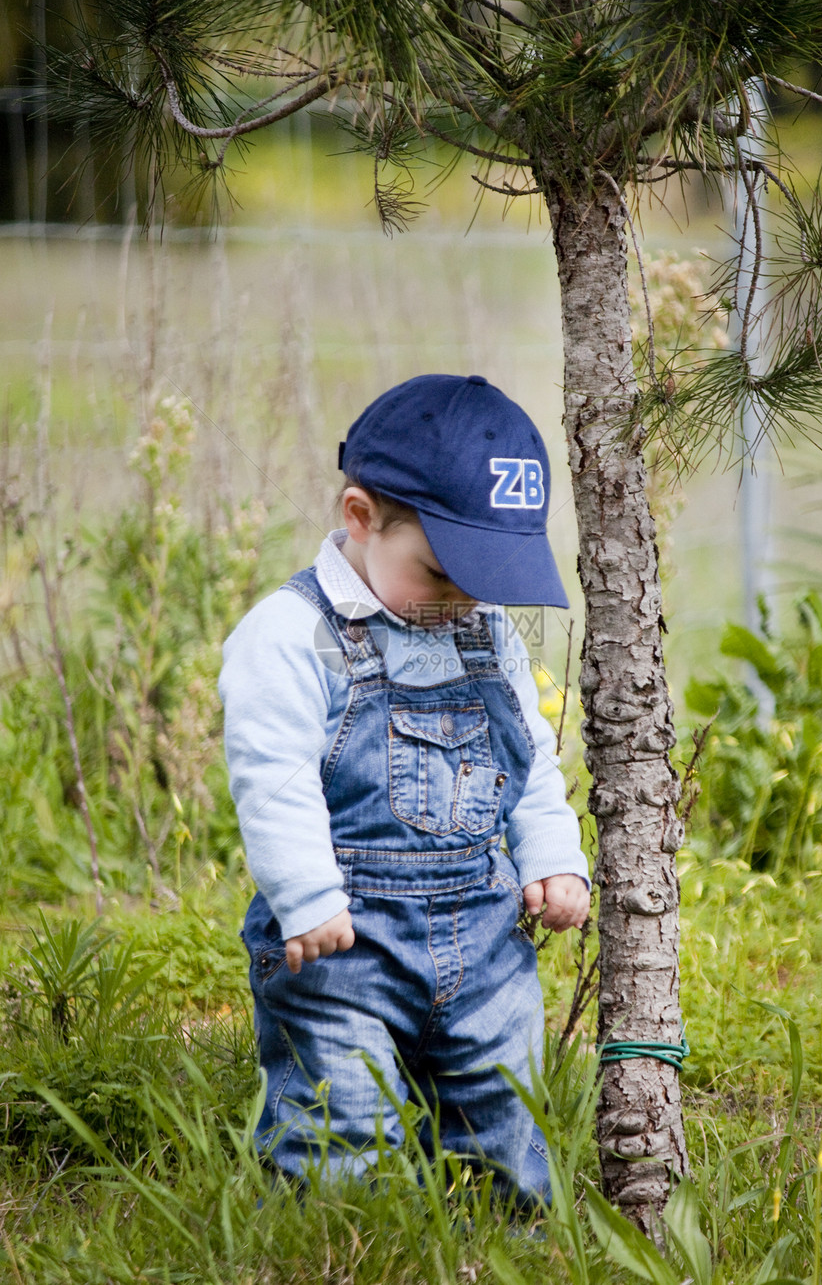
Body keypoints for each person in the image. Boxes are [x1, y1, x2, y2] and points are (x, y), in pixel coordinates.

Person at [219, 373, 590, 1204]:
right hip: (341, 941)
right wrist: (305, 896)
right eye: (441, 571)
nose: (464, 600)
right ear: (359, 518)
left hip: (486, 938)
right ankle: (346, 1238)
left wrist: (552, 854)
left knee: (503, 1108)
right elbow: (273, 777)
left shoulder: (480, 629)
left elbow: (524, 757)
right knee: (340, 1114)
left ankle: (503, 1241)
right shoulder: (296, 636)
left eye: (484, 579)